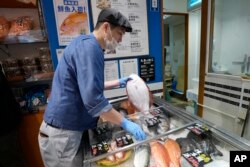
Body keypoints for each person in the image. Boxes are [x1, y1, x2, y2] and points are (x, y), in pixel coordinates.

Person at [38, 8, 146, 167]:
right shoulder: (90, 48)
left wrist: (117, 82)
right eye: (120, 33)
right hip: (62, 135)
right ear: (106, 28)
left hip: (65, 132)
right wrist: (125, 123)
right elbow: (93, 100)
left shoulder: (84, 43)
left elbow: (86, 86)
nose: (121, 40)